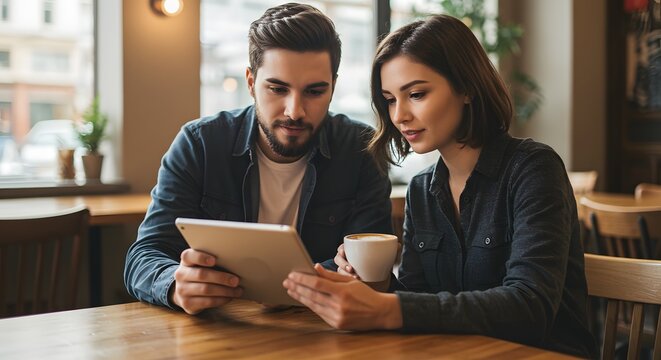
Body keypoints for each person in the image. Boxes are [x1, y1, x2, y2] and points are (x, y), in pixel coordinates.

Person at [283, 14, 597, 358]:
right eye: (389, 99)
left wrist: (387, 308)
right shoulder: (422, 190)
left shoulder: (533, 168)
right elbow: (422, 298)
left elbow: (530, 307)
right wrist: (376, 285)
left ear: (466, 88)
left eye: (416, 94)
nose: (399, 114)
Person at [124, 3, 392, 315]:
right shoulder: (200, 145)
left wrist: (354, 272)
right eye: (277, 89)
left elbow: (368, 268)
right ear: (251, 83)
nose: (295, 111)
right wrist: (174, 283)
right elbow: (144, 255)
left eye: (314, 92)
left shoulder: (361, 149)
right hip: (221, 331)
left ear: (332, 88)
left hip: (321, 331)